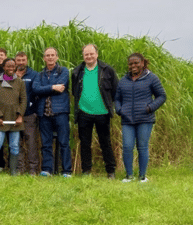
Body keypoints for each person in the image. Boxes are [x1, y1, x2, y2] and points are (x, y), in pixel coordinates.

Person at [115, 53, 167, 183]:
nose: (133, 66)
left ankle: (142, 177)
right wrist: (119, 109)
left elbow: (161, 96)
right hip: (127, 120)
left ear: (142, 63)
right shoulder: (123, 81)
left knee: (142, 146)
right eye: (131, 64)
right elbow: (117, 98)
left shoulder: (152, 78)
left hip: (145, 119)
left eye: (136, 63)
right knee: (127, 146)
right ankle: (129, 176)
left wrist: (149, 108)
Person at [71, 44, 119, 179]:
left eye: (91, 54)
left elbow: (116, 90)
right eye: (86, 54)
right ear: (83, 56)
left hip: (102, 113)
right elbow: (75, 91)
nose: (89, 56)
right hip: (84, 113)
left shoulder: (107, 70)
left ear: (97, 54)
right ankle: (86, 171)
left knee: (105, 142)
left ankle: (110, 171)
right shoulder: (77, 71)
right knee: (85, 143)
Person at [32, 47, 72, 177]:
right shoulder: (40, 74)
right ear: (44, 58)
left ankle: (66, 171)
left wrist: (46, 88)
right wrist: (53, 87)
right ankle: (47, 170)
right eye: (47, 55)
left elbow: (62, 86)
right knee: (46, 143)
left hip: (60, 112)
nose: (50, 57)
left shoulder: (63, 71)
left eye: (52, 55)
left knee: (64, 142)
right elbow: (36, 89)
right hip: (44, 114)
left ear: (57, 57)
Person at [0, 58, 26, 175]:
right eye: (8, 66)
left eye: (13, 66)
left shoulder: (19, 82)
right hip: (1, 119)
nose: (10, 68)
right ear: (3, 67)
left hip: (15, 119)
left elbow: (23, 99)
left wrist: (20, 116)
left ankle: (13, 171)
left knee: (14, 145)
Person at [14, 51, 41, 175]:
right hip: (13, 116)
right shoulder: (10, 74)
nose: (21, 62)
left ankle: (33, 170)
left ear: (27, 61)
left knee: (31, 143)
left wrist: (35, 111)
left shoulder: (34, 74)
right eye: (18, 60)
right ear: (15, 61)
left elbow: (37, 93)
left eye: (23, 60)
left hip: (29, 115)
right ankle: (19, 169)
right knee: (16, 143)